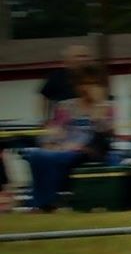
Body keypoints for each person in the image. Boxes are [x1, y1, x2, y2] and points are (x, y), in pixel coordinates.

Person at [23, 67, 112, 212]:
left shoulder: (106, 108)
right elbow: (54, 130)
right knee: (36, 155)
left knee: (45, 157)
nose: (87, 88)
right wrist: (50, 142)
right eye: (83, 83)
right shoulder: (66, 106)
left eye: (92, 84)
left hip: (88, 152)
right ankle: (44, 203)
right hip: (63, 148)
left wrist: (98, 110)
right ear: (76, 86)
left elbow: (106, 135)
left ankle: (42, 204)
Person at [37, 45, 92, 120]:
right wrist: (44, 119)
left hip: (91, 121)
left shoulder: (95, 76)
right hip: (64, 122)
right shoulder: (56, 76)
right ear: (68, 59)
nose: (84, 59)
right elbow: (44, 99)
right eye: (79, 56)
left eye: (86, 56)